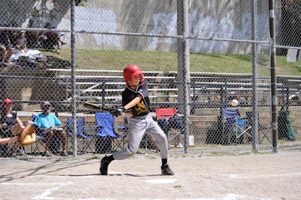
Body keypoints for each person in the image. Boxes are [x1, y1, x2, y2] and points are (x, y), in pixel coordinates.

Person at [99, 65, 174, 176]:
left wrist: (123, 108)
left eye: (139, 75)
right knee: (131, 151)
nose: (139, 77)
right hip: (136, 122)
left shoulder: (143, 84)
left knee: (162, 138)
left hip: (148, 119)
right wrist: (121, 113)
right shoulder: (126, 94)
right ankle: (107, 160)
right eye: (136, 76)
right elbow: (131, 113)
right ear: (128, 80)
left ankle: (165, 165)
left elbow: (138, 98)